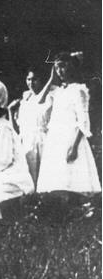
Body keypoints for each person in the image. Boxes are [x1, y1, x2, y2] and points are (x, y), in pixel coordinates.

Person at [36, 52, 101, 199]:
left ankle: (74, 207)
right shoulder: (58, 91)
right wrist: (51, 79)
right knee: (56, 182)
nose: (60, 71)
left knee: (71, 180)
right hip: (56, 138)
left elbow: (83, 120)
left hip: (71, 138)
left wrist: (74, 146)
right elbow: (39, 101)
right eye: (56, 68)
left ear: (72, 67)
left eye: (63, 66)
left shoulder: (79, 90)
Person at [8, 68, 56, 185]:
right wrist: (10, 111)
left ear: (42, 80)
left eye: (35, 79)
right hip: (26, 141)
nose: (31, 83)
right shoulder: (25, 99)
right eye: (29, 79)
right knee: (28, 175)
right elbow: (17, 129)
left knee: (44, 176)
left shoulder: (50, 97)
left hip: (43, 140)